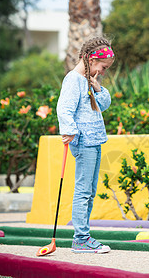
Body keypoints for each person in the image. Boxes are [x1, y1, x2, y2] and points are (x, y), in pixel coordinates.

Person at [57, 36, 115, 253]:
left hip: (95, 141)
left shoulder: (88, 80)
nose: (102, 71)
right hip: (83, 142)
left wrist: (97, 85)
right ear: (91, 59)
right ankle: (80, 238)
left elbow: (104, 104)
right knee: (83, 191)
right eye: (102, 67)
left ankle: (83, 236)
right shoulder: (73, 80)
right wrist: (69, 131)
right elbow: (64, 108)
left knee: (90, 191)